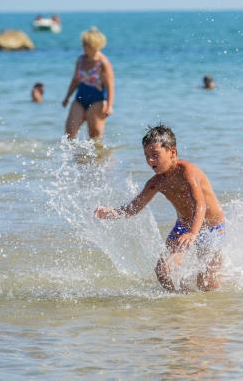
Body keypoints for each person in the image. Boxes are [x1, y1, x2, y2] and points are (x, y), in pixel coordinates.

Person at [94, 124, 225, 292]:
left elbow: (200, 204)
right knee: (163, 271)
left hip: (211, 228)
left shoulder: (187, 172)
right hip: (183, 226)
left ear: (172, 152)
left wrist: (193, 233)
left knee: (206, 283)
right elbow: (133, 208)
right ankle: (184, 301)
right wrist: (111, 213)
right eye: (147, 156)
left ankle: (211, 310)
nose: (150, 160)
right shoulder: (156, 182)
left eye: (155, 155)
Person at [62, 27, 114, 141]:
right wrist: (67, 97)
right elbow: (75, 80)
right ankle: (72, 158)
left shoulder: (103, 63)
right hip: (79, 100)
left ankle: (98, 159)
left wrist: (109, 106)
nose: (83, 47)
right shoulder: (80, 60)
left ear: (94, 45)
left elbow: (110, 85)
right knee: (69, 134)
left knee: (94, 137)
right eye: (83, 44)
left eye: (85, 44)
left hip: (97, 101)